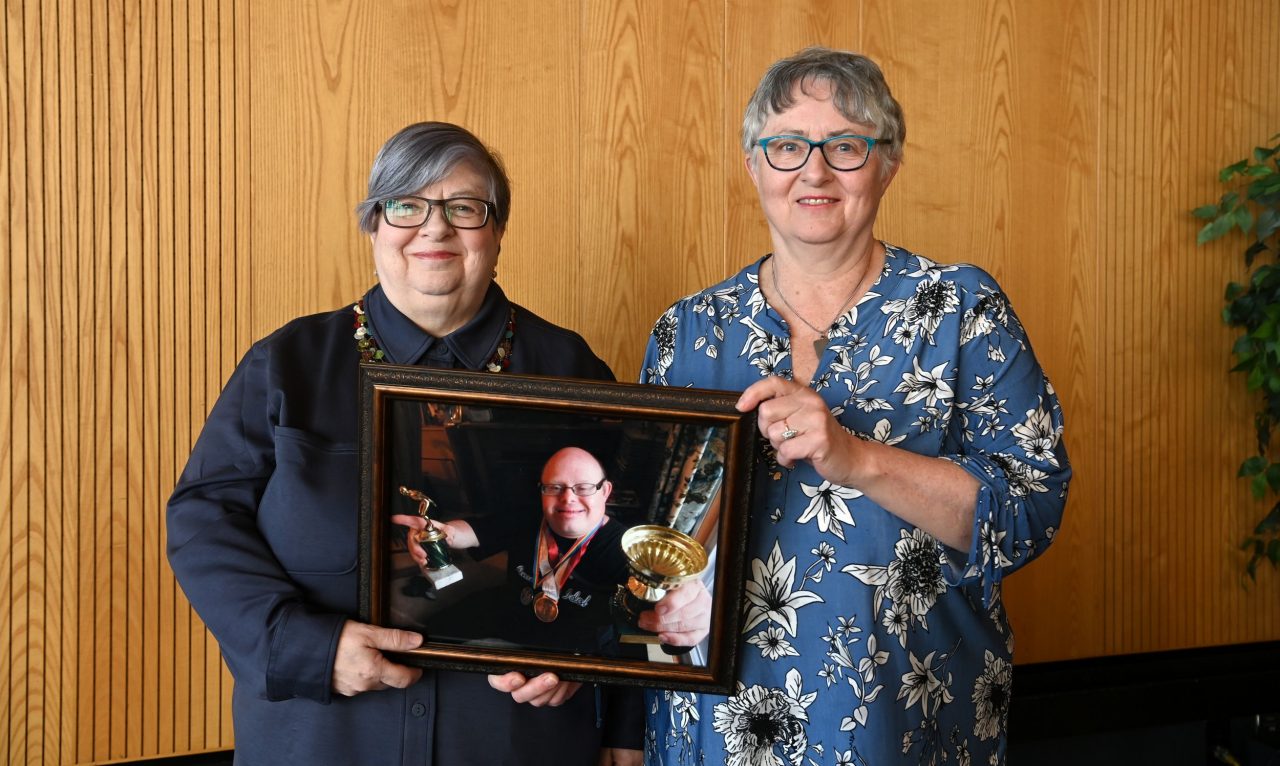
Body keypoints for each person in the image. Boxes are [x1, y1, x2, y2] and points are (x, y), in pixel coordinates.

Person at [167, 122, 670, 765]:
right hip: (323, 739)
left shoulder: (569, 367)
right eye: (407, 205)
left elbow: (631, 541)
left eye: (464, 208)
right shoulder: (287, 363)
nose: (435, 229)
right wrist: (307, 650)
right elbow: (201, 521)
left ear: (496, 231)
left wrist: (591, 666)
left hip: (513, 741)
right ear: (374, 224)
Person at [639, 48, 1070, 766]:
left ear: (887, 163)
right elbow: (648, 538)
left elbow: (1029, 515)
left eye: (845, 146)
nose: (813, 171)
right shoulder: (687, 331)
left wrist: (857, 458)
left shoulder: (962, 312)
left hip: (909, 726)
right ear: (754, 166)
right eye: (786, 147)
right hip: (711, 731)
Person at [393, 446, 634, 655]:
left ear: (605, 491)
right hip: (509, 609)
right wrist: (441, 532)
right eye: (554, 487)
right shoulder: (527, 517)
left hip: (575, 643)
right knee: (428, 635)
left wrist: (671, 603)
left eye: (583, 487)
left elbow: (659, 601)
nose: (568, 498)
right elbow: (472, 531)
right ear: (542, 491)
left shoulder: (628, 548)